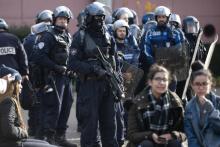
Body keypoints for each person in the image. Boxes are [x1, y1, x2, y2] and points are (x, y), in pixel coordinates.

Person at [69, 3, 121, 147]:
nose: (100, 21)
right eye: (96, 18)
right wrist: (93, 69)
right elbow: (72, 63)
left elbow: (115, 59)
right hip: (90, 85)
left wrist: (117, 76)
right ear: (89, 18)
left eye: (102, 18)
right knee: (90, 125)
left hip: (108, 84)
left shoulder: (108, 35)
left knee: (110, 125)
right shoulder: (80, 36)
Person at [34, 6, 76, 147]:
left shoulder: (67, 36)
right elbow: (39, 57)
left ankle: (60, 137)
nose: (63, 21)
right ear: (54, 20)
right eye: (60, 19)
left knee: (66, 106)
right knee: (54, 108)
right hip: (53, 78)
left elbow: (69, 57)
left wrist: (71, 69)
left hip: (66, 78)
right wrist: (56, 67)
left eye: (65, 19)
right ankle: (49, 138)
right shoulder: (48, 35)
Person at [127, 64, 186, 147]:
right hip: (145, 142)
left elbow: (185, 132)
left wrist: (172, 135)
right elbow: (131, 135)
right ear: (150, 82)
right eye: (157, 79)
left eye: (164, 80)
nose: (161, 83)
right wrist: (150, 135)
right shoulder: (137, 103)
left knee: (175, 144)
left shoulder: (176, 102)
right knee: (147, 144)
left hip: (166, 143)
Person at [0, 65, 57, 147]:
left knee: (46, 143)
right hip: (10, 144)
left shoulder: (5, 100)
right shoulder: (8, 101)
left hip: (9, 142)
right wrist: (23, 132)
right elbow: (9, 131)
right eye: (19, 83)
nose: (21, 86)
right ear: (11, 85)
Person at [143, 6, 188, 96]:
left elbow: (180, 49)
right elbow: (146, 49)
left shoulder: (175, 32)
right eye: (159, 17)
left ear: (168, 18)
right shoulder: (150, 32)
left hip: (171, 69)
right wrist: (153, 64)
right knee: (155, 93)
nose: (161, 19)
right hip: (155, 68)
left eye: (163, 17)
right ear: (156, 18)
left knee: (171, 94)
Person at [23, 9, 53, 138]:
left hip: (44, 77)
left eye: (48, 22)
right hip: (35, 78)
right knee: (37, 105)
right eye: (44, 22)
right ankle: (37, 131)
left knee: (41, 106)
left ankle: (37, 130)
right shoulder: (30, 39)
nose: (46, 24)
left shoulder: (52, 38)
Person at [184, 69, 220, 147]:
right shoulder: (189, 107)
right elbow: (191, 137)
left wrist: (212, 110)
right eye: (197, 84)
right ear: (192, 85)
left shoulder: (218, 102)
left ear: (210, 84)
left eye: (204, 84)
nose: (200, 88)